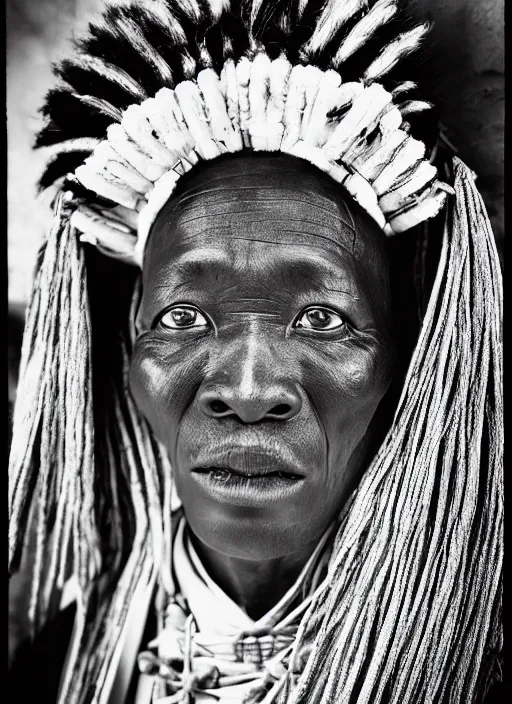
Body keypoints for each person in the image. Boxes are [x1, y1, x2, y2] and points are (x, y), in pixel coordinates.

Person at [8, 2, 503, 703]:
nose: (245, 389)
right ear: (129, 350)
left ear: (406, 360)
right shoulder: (56, 672)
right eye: (182, 315)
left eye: (323, 318)